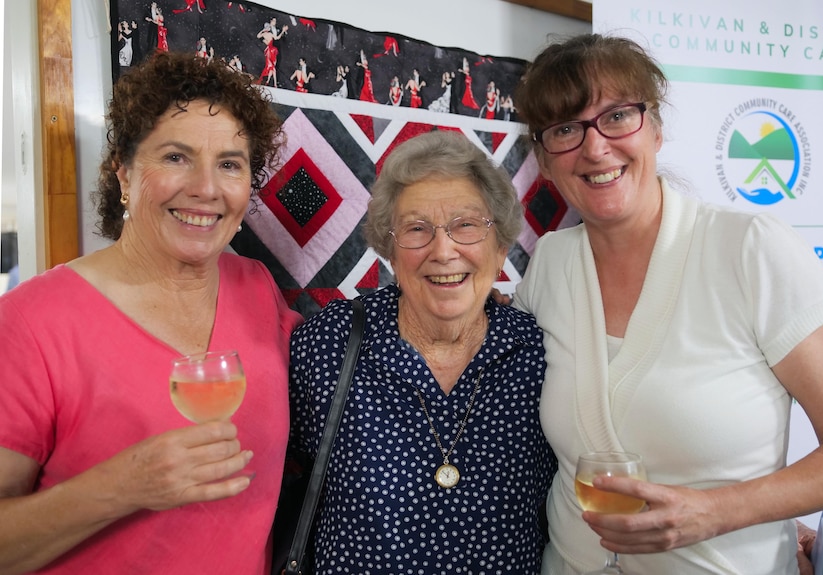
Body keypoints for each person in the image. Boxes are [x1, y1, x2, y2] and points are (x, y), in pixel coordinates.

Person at [512, 33, 823, 574]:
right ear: (544, 158)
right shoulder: (550, 264)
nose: (595, 146)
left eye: (617, 116)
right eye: (565, 129)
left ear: (655, 126)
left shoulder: (750, 250)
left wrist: (717, 512)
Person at [0, 51, 303, 574]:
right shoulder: (30, 323)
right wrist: (123, 485)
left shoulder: (257, 289)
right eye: (176, 157)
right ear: (123, 173)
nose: (206, 188)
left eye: (229, 164)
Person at [288, 130, 555, 574]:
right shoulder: (329, 342)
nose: (443, 250)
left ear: (501, 246)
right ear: (390, 250)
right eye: (417, 229)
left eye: (466, 225)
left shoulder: (539, 352)